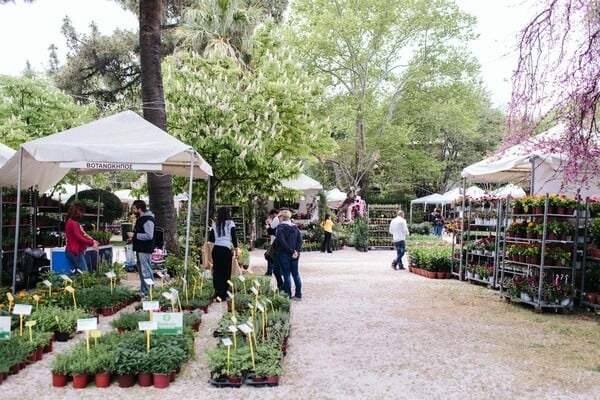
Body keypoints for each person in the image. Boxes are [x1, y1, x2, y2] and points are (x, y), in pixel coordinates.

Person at [208, 206, 239, 300]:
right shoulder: (231, 223)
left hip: (216, 249)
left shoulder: (215, 224)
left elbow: (211, 239)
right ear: (227, 214)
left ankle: (217, 291)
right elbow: (234, 238)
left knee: (217, 271)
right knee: (226, 271)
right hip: (226, 249)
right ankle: (224, 293)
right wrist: (236, 250)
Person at [127, 200, 155, 298]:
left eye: (134, 208)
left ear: (140, 208)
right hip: (140, 248)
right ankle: (144, 289)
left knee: (145, 270)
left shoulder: (148, 219)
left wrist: (134, 235)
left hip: (145, 249)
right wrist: (133, 238)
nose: (133, 211)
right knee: (142, 270)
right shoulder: (142, 218)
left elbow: (149, 235)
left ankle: (149, 292)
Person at [275, 209, 303, 300]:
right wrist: (296, 251)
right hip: (295, 254)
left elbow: (282, 242)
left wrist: (291, 251)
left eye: (279, 216)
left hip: (284, 254)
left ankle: (288, 294)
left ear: (282, 217)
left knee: (286, 274)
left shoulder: (280, 228)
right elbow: (300, 241)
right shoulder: (295, 227)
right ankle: (298, 294)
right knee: (296, 274)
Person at [64, 203, 98, 273]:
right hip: (75, 251)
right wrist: (92, 242)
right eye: (82, 212)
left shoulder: (69, 222)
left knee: (75, 272)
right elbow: (79, 237)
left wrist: (92, 241)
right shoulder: (74, 223)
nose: (82, 214)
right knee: (84, 272)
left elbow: (80, 236)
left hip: (70, 250)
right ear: (77, 212)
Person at [265, 209, 284, 289]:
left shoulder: (276, 219)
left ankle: (269, 273)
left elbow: (270, 231)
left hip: (275, 244)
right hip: (279, 244)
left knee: (270, 257)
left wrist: (268, 225)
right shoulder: (286, 223)